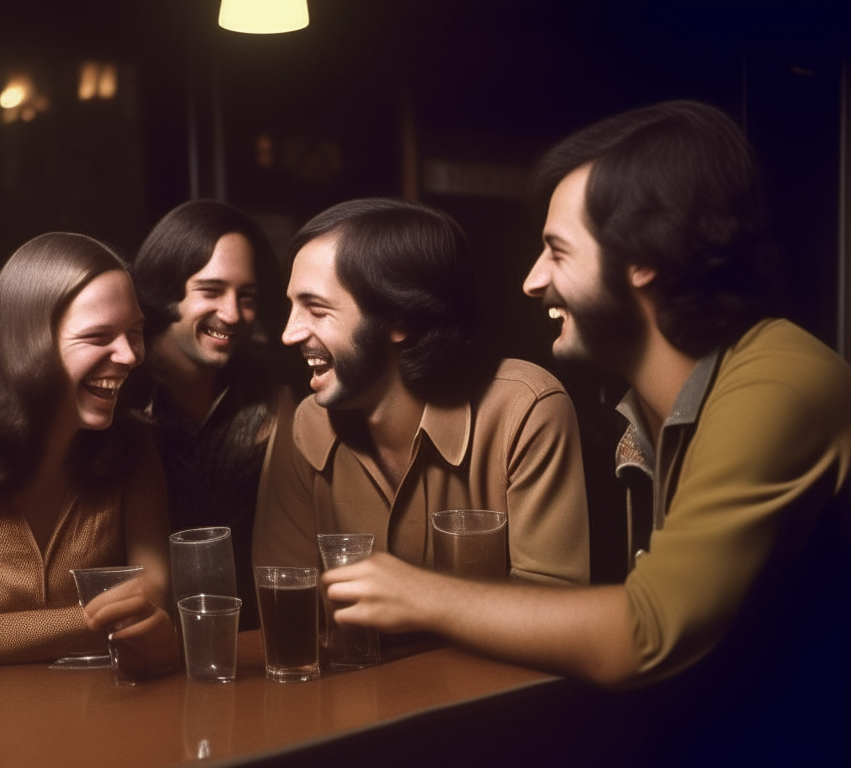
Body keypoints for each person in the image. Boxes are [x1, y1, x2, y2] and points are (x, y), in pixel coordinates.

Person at [322, 101, 851, 761]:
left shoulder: (779, 383)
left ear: (643, 258)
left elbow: (643, 632)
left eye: (557, 250)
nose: (531, 280)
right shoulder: (644, 415)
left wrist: (417, 593)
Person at [253, 198, 590, 587]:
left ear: (400, 317)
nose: (288, 333)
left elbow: (554, 612)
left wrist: (416, 601)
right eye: (292, 306)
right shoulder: (306, 423)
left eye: (316, 309)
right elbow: (285, 601)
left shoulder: (525, 408)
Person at [0, 232, 177, 670]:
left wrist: (18, 631)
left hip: (104, 709)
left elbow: (152, 595)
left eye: (135, 332)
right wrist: (100, 620)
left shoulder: (133, 440)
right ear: (29, 343)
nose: (131, 355)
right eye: (98, 336)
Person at [126, 200, 296, 625]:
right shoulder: (116, 390)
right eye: (211, 290)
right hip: (144, 637)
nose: (233, 314)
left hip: (260, 639)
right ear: (165, 288)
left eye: (248, 296)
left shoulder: (277, 391)